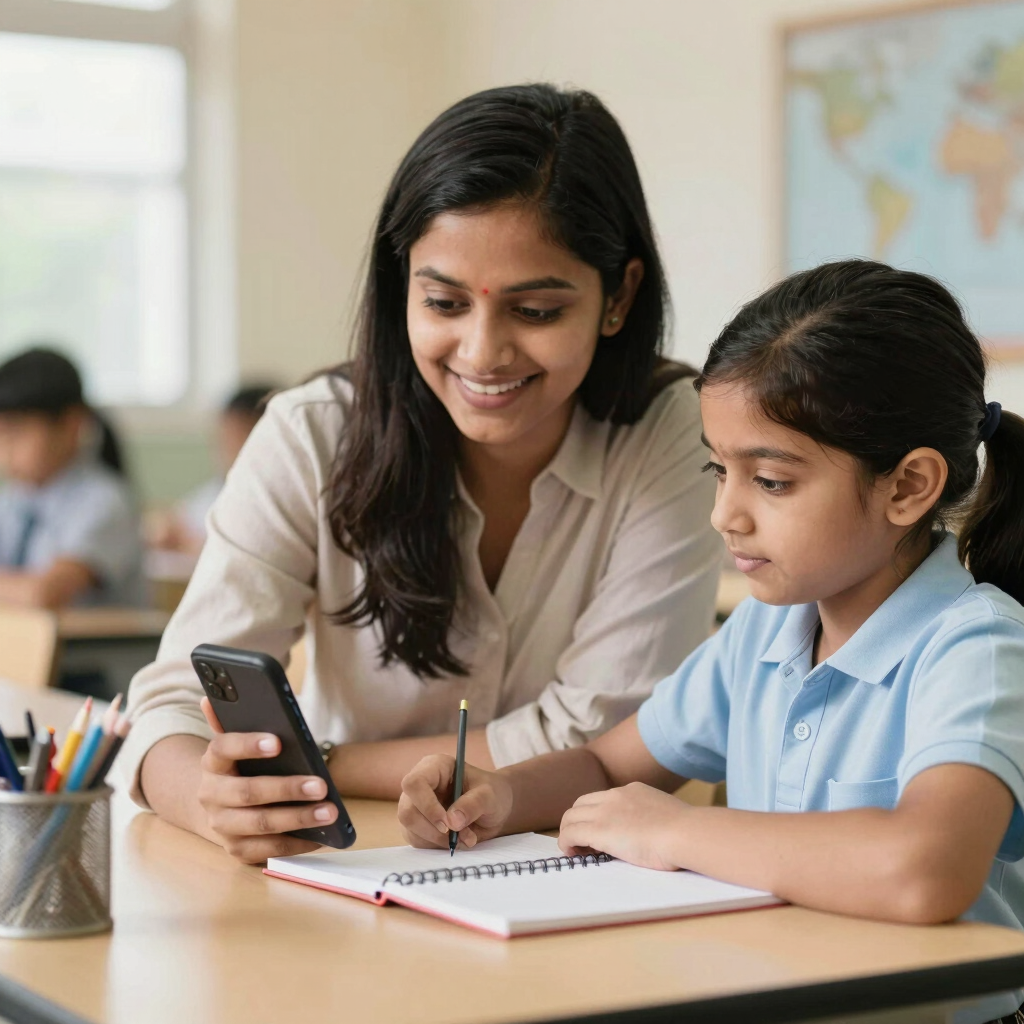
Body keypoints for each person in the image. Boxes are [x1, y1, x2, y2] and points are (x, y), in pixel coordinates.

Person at [399, 260, 1024, 1024]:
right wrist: (500, 794)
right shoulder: (765, 630)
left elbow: (925, 869)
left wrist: (677, 830)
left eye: (771, 481)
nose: (724, 514)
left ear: (907, 486)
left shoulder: (977, 648)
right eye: (718, 469)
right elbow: (608, 764)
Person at [123, 84, 723, 864]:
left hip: (583, 874)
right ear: (401, 282)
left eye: (536, 311)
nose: (483, 353)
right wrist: (213, 803)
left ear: (619, 297)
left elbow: (602, 737)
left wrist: (323, 763)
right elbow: (171, 702)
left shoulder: (676, 432)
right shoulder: (313, 434)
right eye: (443, 302)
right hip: (354, 873)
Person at [0, 347, 144, 608]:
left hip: (92, 637)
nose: (5, 449)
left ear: (71, 425)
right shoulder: (13, 500)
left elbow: (44, 594)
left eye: (16, 433)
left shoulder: (104, 503)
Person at [146, 384, 277, 557]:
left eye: (239, 437)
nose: (228, 449)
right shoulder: (217, 489)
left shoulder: (272, 499)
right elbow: (172, 523)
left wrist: (192, 545)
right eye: (224, 438)